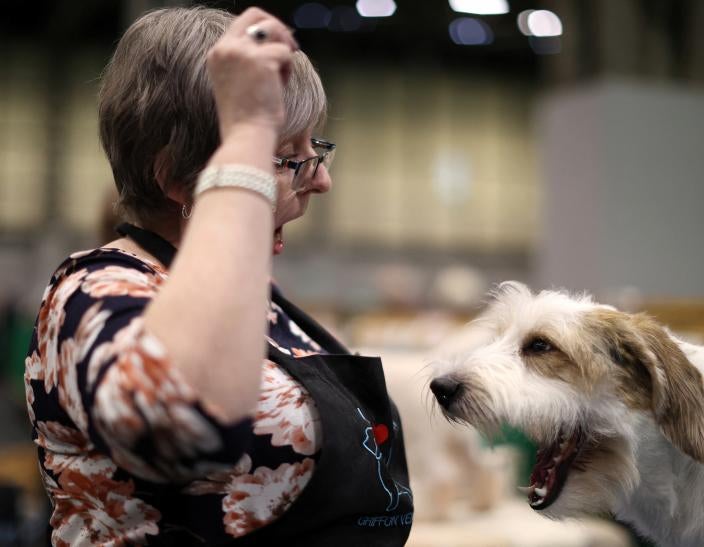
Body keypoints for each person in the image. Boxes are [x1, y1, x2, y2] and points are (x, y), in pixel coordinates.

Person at [23, 6, 413, 546]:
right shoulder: (93, 293)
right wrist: (248, 134)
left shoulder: (260, 300)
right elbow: (178, 427)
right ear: (177, 180)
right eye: (286, 158)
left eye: (316, 150)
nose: (322, 180)